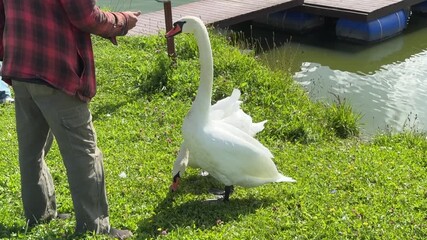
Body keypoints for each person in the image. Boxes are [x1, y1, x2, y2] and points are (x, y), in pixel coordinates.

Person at [0, 1, 140, 239]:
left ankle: (38, 214)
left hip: (20, 64)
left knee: (31, 150)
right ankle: (94, 228)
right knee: (83, 153)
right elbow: (86, 16)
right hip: (56, 69)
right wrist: (122, 21)